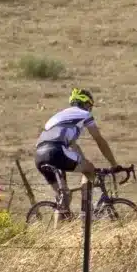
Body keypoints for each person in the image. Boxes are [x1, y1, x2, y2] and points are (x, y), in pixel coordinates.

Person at [34, 87, 121, 216]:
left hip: (39, 155)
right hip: (56, 150)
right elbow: (99, 140)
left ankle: (57, 233)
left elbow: (73, 146)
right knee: (89, 169)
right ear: (86, 104)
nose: (90, 109)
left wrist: (83, 161)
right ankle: (86, 213)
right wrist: (113, 164)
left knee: (64, 198)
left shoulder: (58, 116)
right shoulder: (84, 114)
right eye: (90, 106)